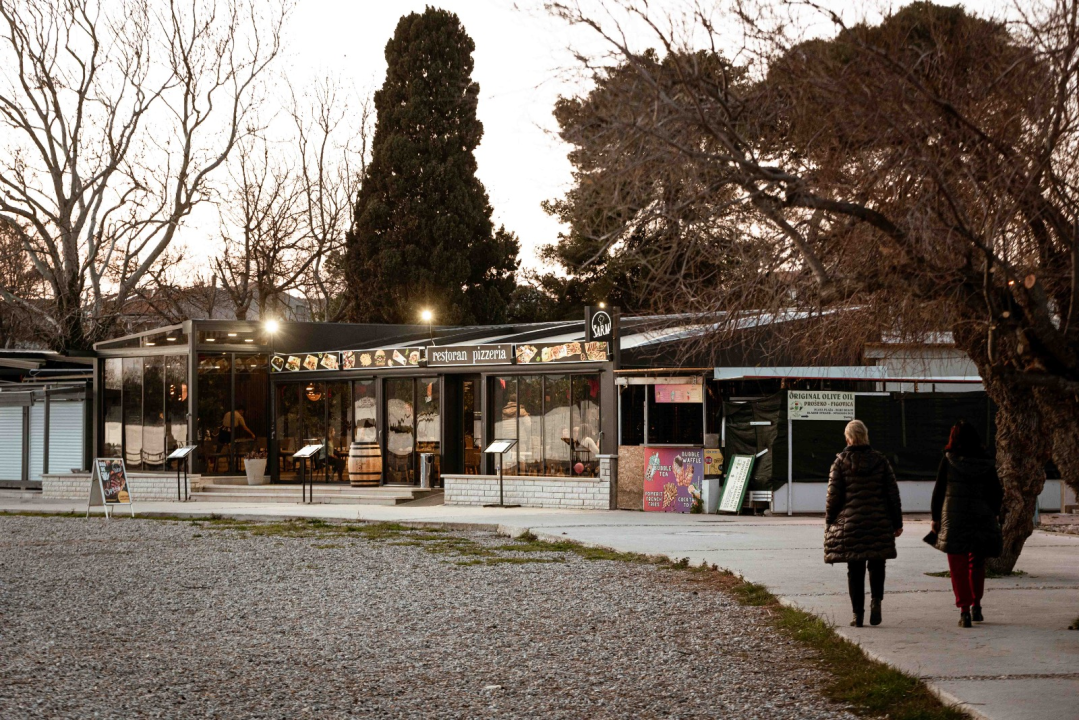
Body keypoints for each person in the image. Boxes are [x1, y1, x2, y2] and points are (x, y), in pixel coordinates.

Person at [824, 419, 903, 628]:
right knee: (877, 564)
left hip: (851, 525)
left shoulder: (839, 462)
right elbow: (892, 494)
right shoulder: (881, 461)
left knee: (855, 568)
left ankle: (857, 615)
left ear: (848, 438)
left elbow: (833, 497)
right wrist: (897, 522)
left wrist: (830, 523)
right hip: (879, 521)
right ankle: (876, 600)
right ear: (865, 435)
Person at [931, 420, 1003, 628]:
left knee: (958, 566)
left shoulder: (948, 460)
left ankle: (964, 612)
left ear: (954, 439)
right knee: (977, 563)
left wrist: (935, 518)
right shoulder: (987, 462)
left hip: (954, 520)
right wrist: (995, 514)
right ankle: (977, 606)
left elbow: (939, 491)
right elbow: (996, 492)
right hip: (982, 518)